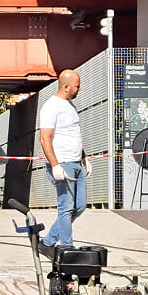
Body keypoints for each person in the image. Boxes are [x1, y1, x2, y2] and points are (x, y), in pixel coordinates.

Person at [38, 69, 91, 258]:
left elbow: (72, 133)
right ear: (66, 87)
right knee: (66, 206)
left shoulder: (70, 105)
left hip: (76, 162)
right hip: (63, 164)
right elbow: (45, 138)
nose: (79, 88)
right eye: (77, 86)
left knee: (80, 206)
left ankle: (47, 242)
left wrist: (83, 156)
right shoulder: (51, 106)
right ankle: (66, 247)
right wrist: (55, 165)